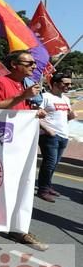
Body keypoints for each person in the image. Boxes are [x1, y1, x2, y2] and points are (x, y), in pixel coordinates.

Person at [0, 50, 47, 250]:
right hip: (0, 142)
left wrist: (36, 113)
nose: (34, 67)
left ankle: (19, 228)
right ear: (14, 65)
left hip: (20, 145)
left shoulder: (26, 85)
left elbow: (22, 111)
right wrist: (22, 97)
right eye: (29, 63)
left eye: (34, 63)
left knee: (22, 185)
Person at [36, 73, 76, 202]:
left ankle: (47, 185)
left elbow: (65, 117)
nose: (69, 86)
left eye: (70, 84)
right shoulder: (45, 97)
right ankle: (43, 190)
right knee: (49, 164)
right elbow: (35, 115)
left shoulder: (66, 99)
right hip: (49, 136)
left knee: (54, 165)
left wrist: (71, 116)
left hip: (63, 136)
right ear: (55, 84)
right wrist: (47, 129)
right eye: (66, 83)